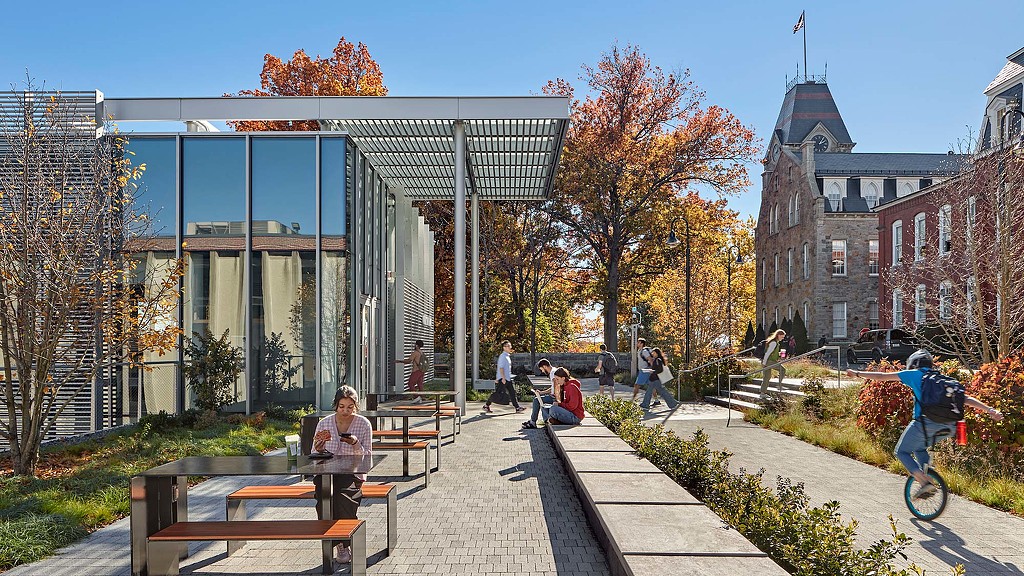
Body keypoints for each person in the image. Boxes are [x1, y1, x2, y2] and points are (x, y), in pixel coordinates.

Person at [846, 349, 1002, 499]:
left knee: (901, 452)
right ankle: (929, 476)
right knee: (919, 448)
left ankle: (924, 482)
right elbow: (965, 399)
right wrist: (989, 410)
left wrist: (857, 374)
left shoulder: (915, 375)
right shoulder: (941, 379)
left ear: (914, 363)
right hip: (950, 426)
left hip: (926, 423)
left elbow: (881, 376)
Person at [311, 386, 373, 565]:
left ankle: (343, 543)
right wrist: (320, 448)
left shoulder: (363, 424)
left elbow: (367, 455)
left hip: (352, 471)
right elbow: (313, 452)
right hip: (327, 471)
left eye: (350, 407)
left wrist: (355, 444)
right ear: (335, 405)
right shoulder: (324, 423)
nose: (345, 411)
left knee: (343, 497)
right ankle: (337, 542)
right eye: (341, 406)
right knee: (324, 499)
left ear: (355, 406)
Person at [484, 340, 524, 414]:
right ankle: (486, 405)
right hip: (504, 379)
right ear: (504, 347)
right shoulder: (503, 357)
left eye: (510, 346)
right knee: (498, 393)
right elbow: (501, 368)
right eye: (508, 346)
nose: (510, 347)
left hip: (508, 378)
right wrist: (502, 378)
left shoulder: (507, 356)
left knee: (512, 393)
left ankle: (517, 407)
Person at [523, 359, 560, 429]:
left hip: (554, 397)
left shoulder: (553, 373)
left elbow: (556, 387)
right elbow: (552, 388)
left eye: (542, 369)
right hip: (553, 395)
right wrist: (541, 392)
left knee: (537, 400)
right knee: (539, 399)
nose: (542, 371)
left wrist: (556, 399)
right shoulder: (554, 371)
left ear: (545, 366)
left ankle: (533, 422)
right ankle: (540, 421)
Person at [759, 329, 787, 397]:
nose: (783, 338)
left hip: (767, 361)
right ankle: (779, 385)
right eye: (782, 337)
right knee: (782, 370)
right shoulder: (773, 343)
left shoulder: (775, 342)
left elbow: (772, 352)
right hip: (769, 361)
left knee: (767, 377)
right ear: (778, 335)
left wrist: (779, 353)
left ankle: (762, 393)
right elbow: (767, 353)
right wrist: (764, 363)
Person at [631, 338, 659, 405]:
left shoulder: (644, 351)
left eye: (638, 342)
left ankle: (633, 400)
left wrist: (653, 370)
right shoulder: (640, 351)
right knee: (651, 386)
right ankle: (656, 400)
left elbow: (650, 360)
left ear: (641, 343)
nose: (637, 343)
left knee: (637, 385)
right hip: (645, 371)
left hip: (644, 371)